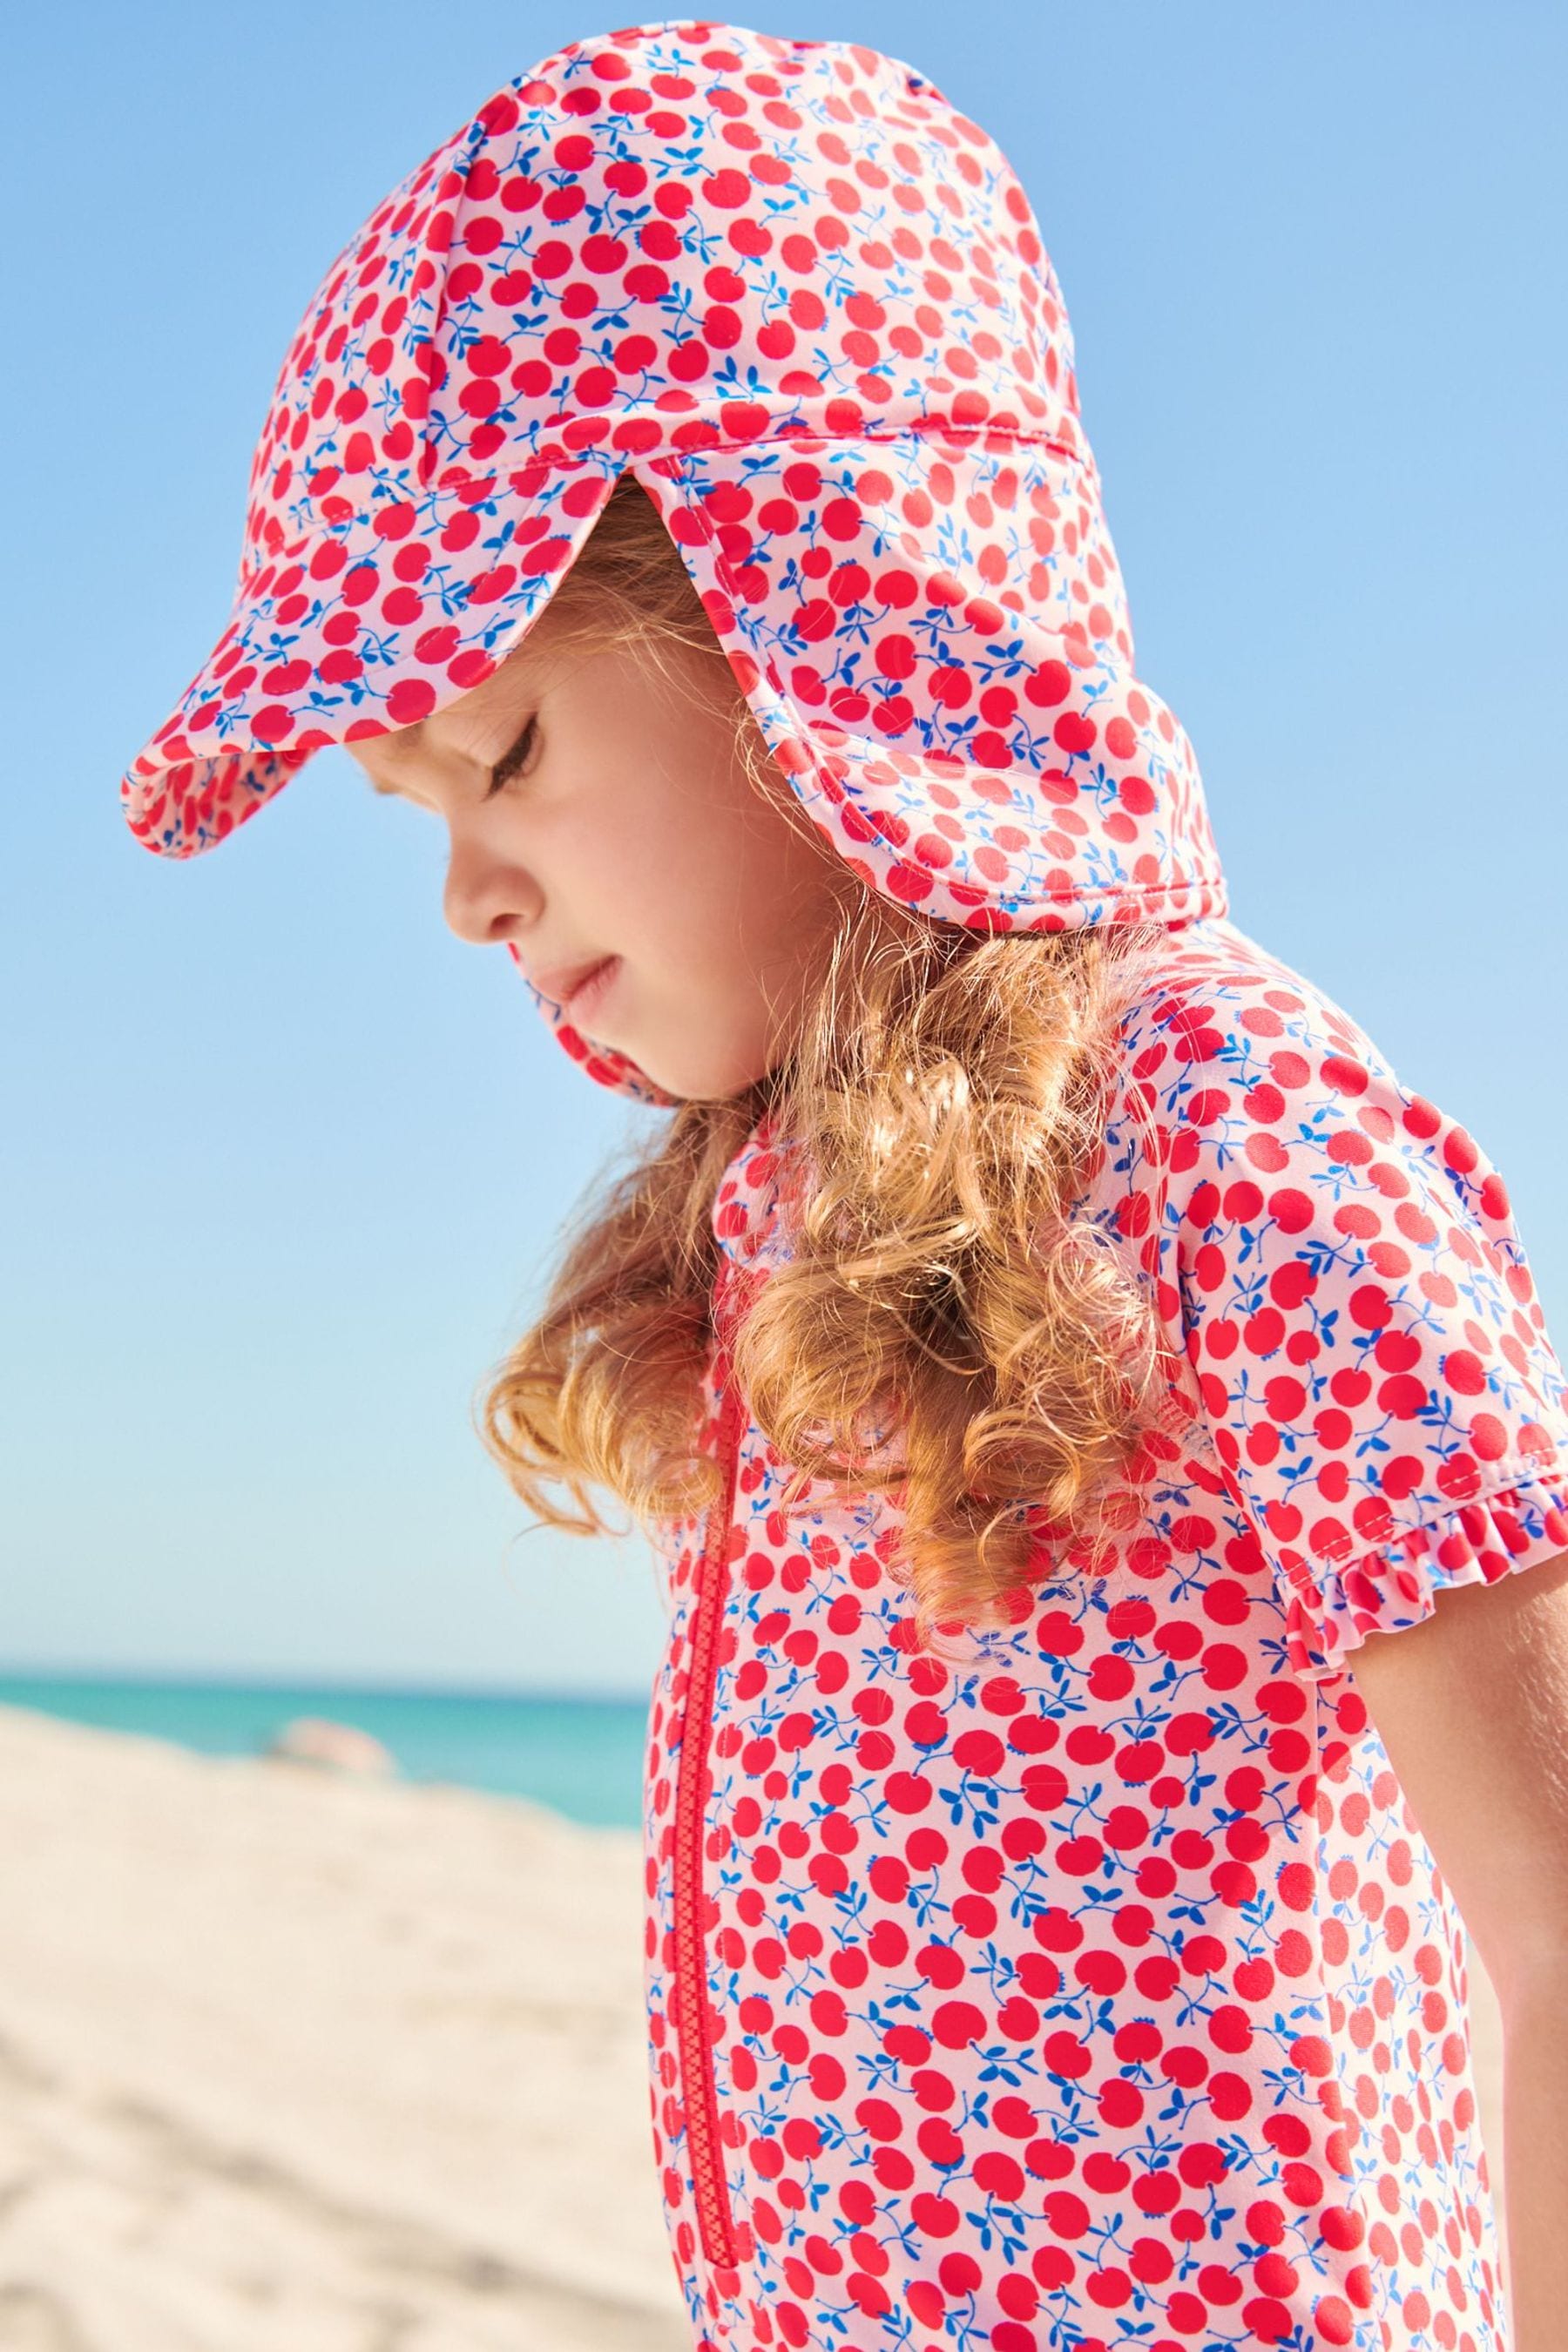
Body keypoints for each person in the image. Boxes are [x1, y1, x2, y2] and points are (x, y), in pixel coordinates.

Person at [117, 24, 1568, 2352]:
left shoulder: (1221, 1119)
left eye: (501, 753)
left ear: (810, 611)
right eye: (423, 819)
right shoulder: (792, 1222)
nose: (467, 895)